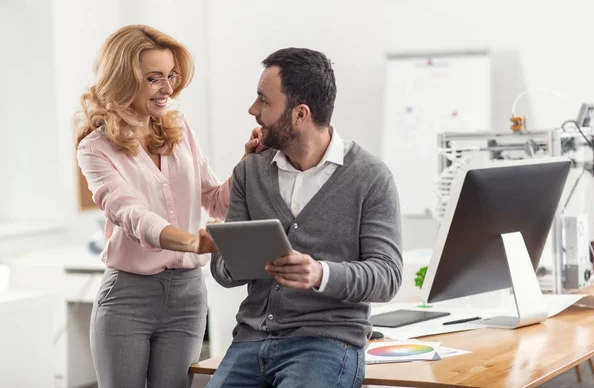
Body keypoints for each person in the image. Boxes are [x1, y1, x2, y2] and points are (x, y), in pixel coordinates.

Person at [76, 25, 260, 388]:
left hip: (188, 295)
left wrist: (247, 162)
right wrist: (191, 241)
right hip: (129, 296)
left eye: (171, 76)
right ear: (123, 80)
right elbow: (130, 215)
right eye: (154, 79)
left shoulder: (179, 131)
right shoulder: (94, 148)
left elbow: (215, 198)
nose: (168, 89)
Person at [208, 48, 403, 388]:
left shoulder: (371, 177)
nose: (253, 110)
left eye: (263, 101)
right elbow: (223, 272)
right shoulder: (249, 171)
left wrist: (319, 273)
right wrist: (235, 255)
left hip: (325, 343)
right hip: (251, 340)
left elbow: (387, 275)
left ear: (300, 114)